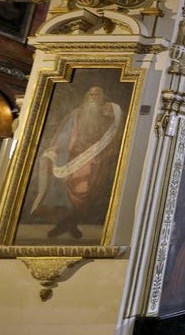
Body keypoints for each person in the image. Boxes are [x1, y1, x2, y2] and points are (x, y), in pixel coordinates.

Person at [30, 84, 124, 239]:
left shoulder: (105, 115)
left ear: (102, 99)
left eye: (97, 95)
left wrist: (112, 111)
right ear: (86, 97)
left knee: (86, 191)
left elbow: (113, 134)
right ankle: (67, 224)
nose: (93, 97)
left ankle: (69, 223)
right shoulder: (75, 114)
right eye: (91, 94)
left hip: (94, 160)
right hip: (71, 158)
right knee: (66, 191)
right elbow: (64, 134)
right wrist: (56, 148)